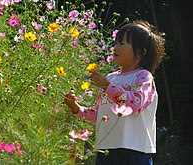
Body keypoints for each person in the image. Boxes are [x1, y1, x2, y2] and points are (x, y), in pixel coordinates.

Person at [64, 20, 165, 165]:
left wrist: (107, 86)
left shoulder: (143, 77)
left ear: (140, 53)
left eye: (122, 44)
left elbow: (135, 105)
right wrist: (76, 108)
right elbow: (100, 115)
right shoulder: (111, 78)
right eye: (116, 43)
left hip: (135, 152)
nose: (115, 48)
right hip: (106, 151)